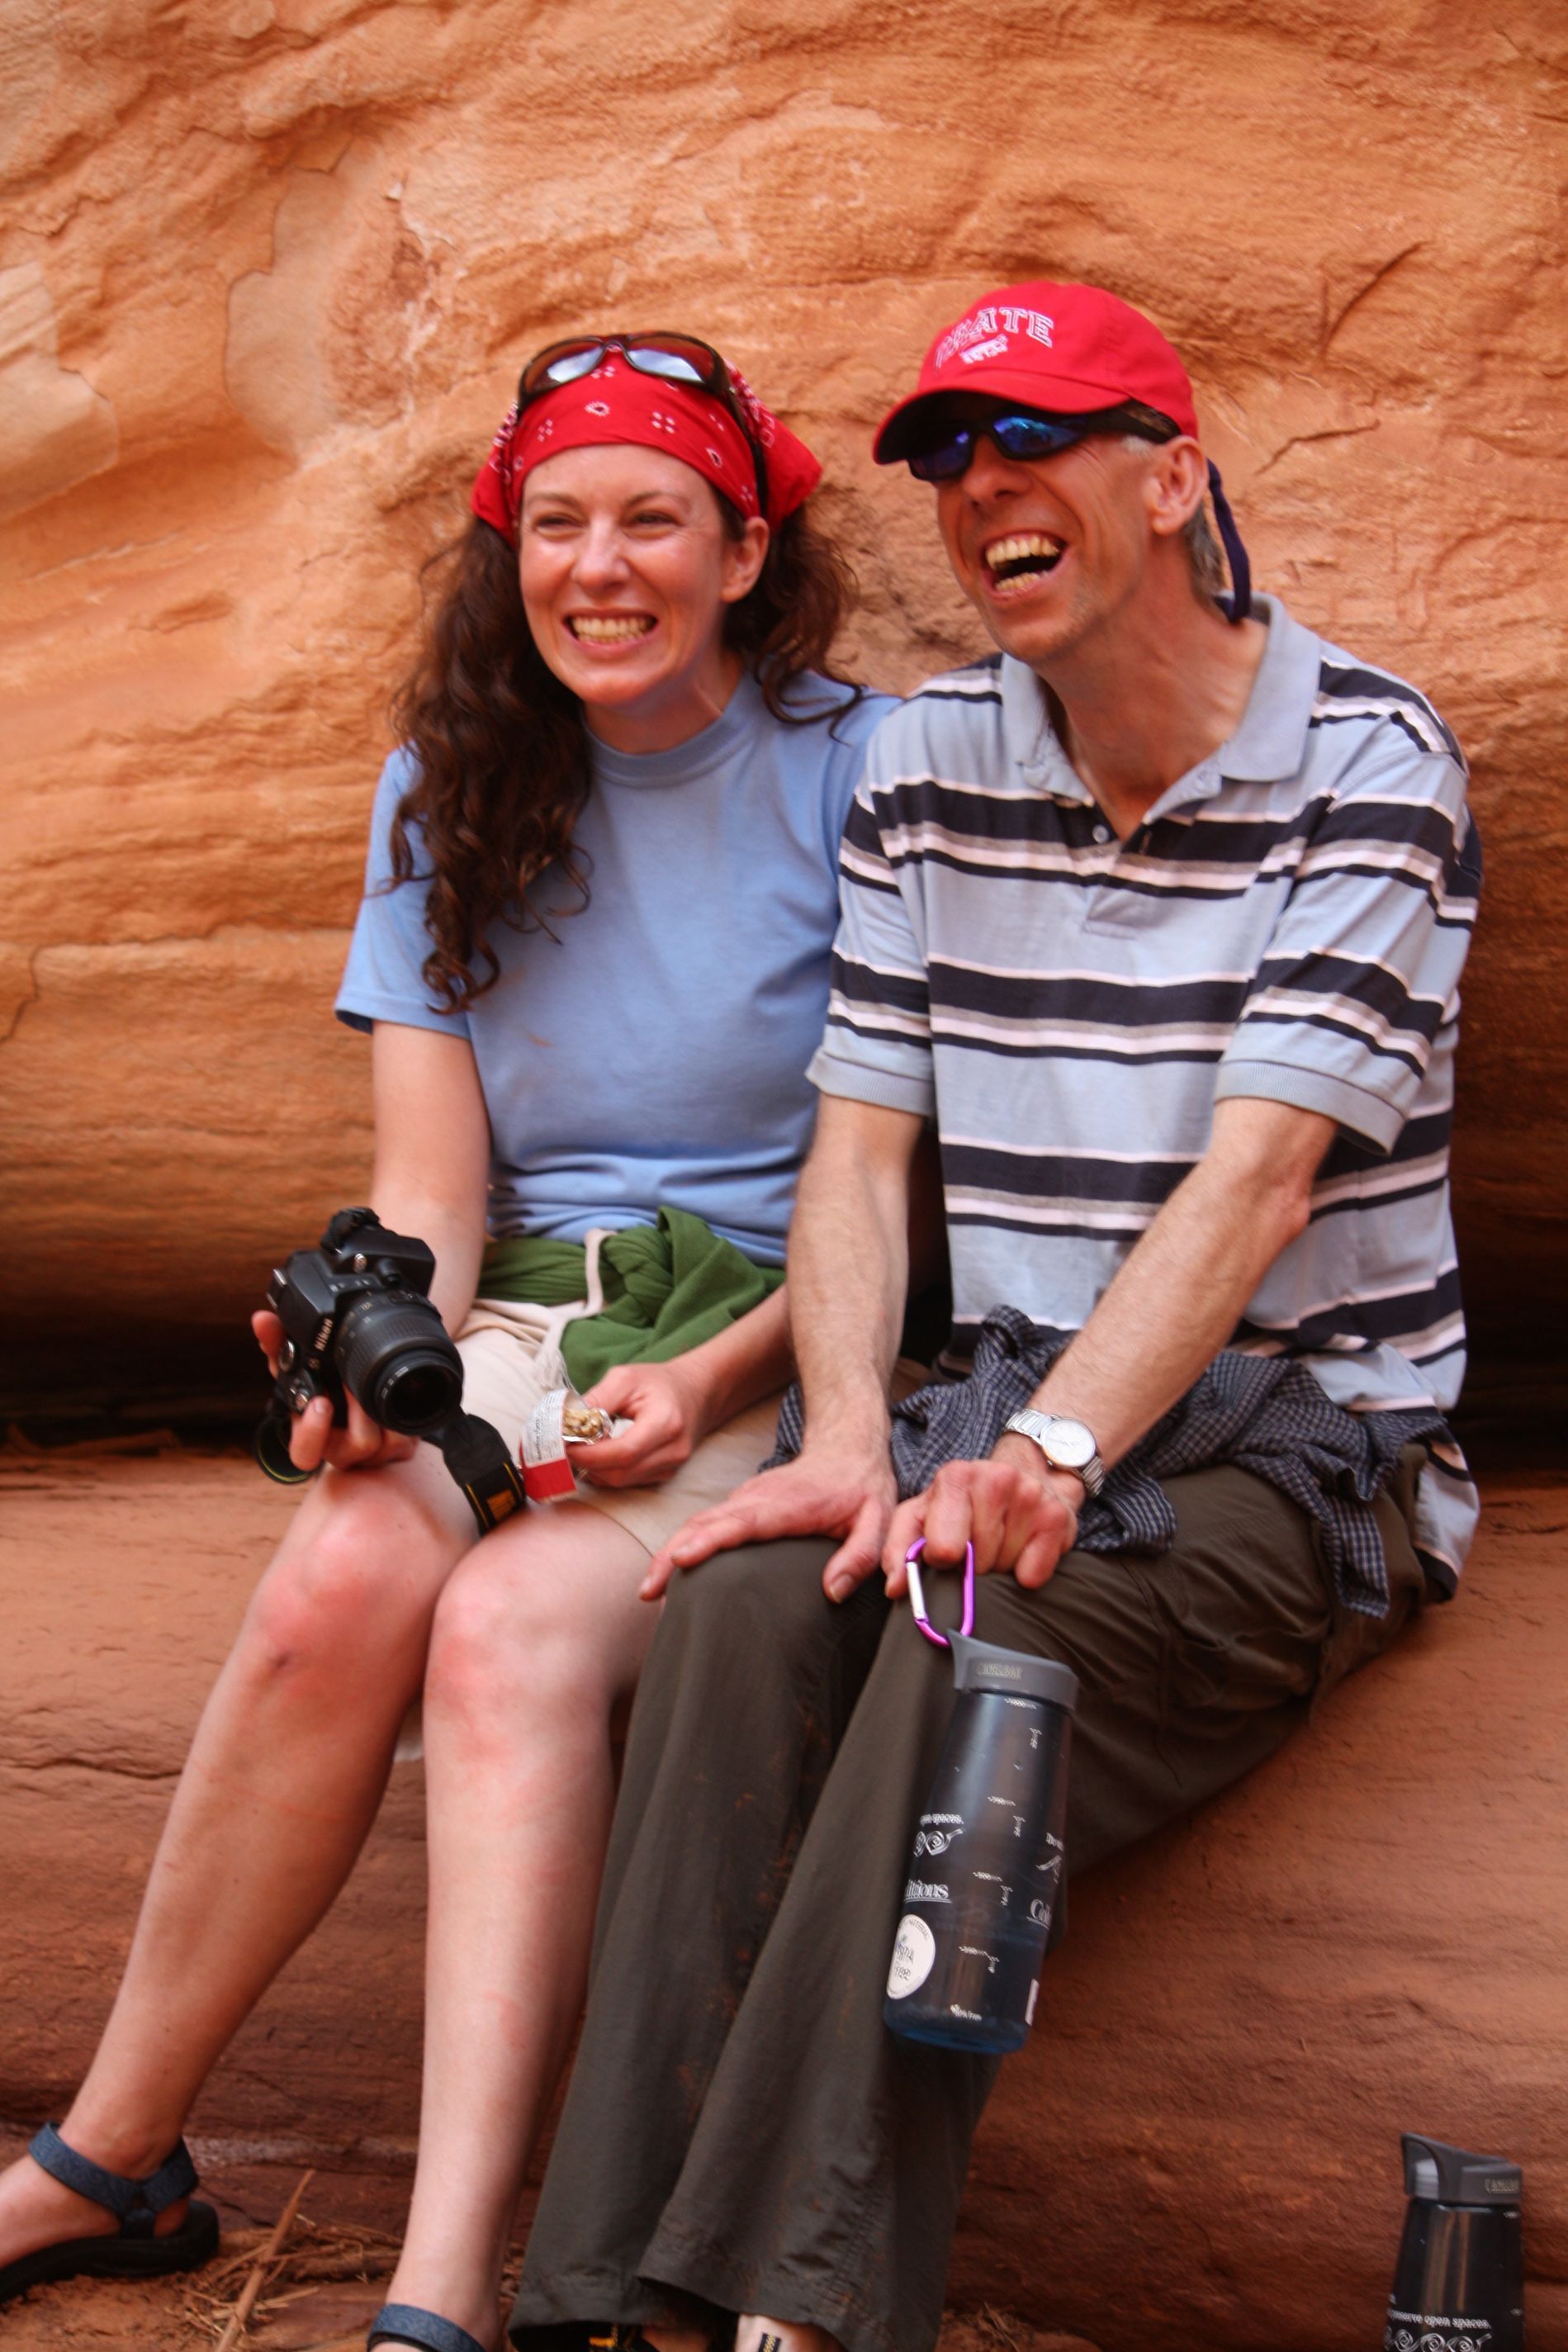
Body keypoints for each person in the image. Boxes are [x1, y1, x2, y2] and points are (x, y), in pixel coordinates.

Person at [506, 280, 1482, 2352]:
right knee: (747, 1611)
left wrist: (1043, 1456)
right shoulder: (934, 756)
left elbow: (1260, 1175)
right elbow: (859, 1148)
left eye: (1032, 438)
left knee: (980, 1658)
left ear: (1173, 474)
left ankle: (797, 2312)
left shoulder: (1368, 759)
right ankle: (593, 2296)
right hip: (985, 1407)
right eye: (947, 453)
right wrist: (849, 1436)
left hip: (1288, 1457)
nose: (982, 489)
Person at [0, 331, 900, 2352]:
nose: (601, 564)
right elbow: (435, 1186)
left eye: (653, 517)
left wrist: (725, 1376)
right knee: (337, 1567)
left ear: (743, 546)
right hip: (525, 1325)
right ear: (509, 551)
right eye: (556, 521)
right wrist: (369, 1346)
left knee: (499, 1635)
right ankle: (114, 2153)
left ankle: (439, 2277)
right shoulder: (450, 783)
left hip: (768, 1334)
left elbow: (893, 1182)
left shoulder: (862, 771)